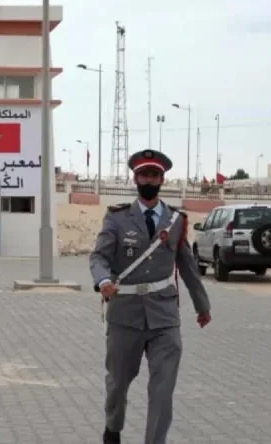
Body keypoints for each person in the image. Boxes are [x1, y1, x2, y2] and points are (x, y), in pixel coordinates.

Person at [89, 149, 212, 444]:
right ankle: (113, 428)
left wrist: (202, 306)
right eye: (144, 174)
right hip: (125, 315)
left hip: (164, 316)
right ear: (135, 178)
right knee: (118, 383)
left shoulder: (176, 220)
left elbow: (187, 267)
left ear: (162, 179)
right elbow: (99, 257)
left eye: (154, 175)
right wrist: (103, 280)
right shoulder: (117, 218)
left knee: (162, 388)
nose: (149, 179)